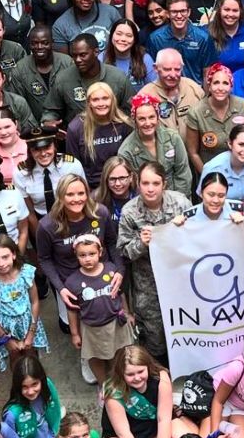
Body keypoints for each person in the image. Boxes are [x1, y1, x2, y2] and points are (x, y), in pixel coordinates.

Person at [117, 163, 192, 362]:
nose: (151, 188)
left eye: (156, 183)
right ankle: (159, 369)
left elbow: (197, 235)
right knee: (154, 333)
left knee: (185, 324)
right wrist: (141, 243)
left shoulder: (181, 204)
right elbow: (124, 251)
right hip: (148, 284)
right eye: (145, 183)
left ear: (164, 184)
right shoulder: (130, 212)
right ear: (138, 184)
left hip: (180, 280)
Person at [36, 174, 121, 339]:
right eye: (70, 194)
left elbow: (112, 242)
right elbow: (44, 259)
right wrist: (61, 288)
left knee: (111, 327)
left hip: (102, 280)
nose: (77, 199)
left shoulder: (100, 213)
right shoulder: (47, 226)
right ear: (60, 196)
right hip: (71, 286)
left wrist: (120, 270)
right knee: (80, 335)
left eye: (81, 193)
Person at [98, 345, 197, 438]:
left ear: (148, 367)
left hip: (155, 426)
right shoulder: (113, 393)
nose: (137, 378)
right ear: (121, 374)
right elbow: (124, 433)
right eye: (130, 374)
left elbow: (164, 420)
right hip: (125, 434)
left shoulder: (161, 378)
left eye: (140, 371)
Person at [64, 234, 133, 392]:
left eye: (91, 254)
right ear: (76, 256)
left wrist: (127, 313)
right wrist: (75, 333)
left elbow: (120, 293)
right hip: (92, 327)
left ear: (100, 252)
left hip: (116, 323)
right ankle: (104, 386)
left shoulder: (111, 269)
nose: (88, 259)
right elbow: (72, 310)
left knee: (120, 353)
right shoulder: (73, 281)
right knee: (95, 357)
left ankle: (121, 381)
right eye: (82, 255)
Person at [42, 33, 134, 136]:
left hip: (112, 136)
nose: (77, 60)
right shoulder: (64, 79)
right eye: (74, 55)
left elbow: (132, 109)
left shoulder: (117, 77)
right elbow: (51, 110)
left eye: (82, 55)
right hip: (78, 137)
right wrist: (48, 121)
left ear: (96, 52)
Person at [0, 235, 48, 372]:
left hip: (29, 325)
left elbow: (34, 302)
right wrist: (6, 340)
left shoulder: (26, 273)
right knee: (16, 360)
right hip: (6, 331)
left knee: (32, 359)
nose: (1, 263)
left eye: (5, 257)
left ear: (13, 254)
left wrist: (31, 334)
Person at [117, 92, 192, 198]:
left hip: (177, 197)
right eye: (142, 119)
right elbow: (134, 186)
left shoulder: (173, 138)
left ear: (158, 118)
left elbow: (183, 173)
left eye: (151, 117)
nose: (148, 123)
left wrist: (177, 201)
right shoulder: (126, 151)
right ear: (135, 120)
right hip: (146, 201)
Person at [1, 355, 60, 438]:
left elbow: (55, 416)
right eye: (25, 387)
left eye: (35, 384)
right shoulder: (12, 414)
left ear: (42, 381)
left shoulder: (47, 388)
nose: (31, 391)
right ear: (17, 387)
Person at [13, 126, 86, 233]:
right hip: (40, 219)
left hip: (71, 216)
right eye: (36, 149)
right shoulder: (21, 173)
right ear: (30, 151)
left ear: (55, 146)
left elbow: (84, 198)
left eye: (47, 147)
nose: (43, 154)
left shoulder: (72, 165)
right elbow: (29, 212)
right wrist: (41, 235)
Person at [185, 63, 244, 173]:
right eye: (216, 83)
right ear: (209, 86)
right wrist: (207, 177)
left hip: (240, 169)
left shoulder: (242, 106)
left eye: (225, 83)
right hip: (210, 171)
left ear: (231, 87)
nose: (220, 88)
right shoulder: (196, 112)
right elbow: (193, 152)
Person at [8, 25, 73, 123]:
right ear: (29, 45)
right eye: (34, 43)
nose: (39, 47)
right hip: (35, 130)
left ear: (52, 43)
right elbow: (18, 105)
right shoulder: (20, 69)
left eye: (45, 43)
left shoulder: (67, 63)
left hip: (69, 126)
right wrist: (38, 129)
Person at [137, 47, 205, 141]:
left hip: (192, 151)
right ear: (156, 68)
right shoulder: (144, 96)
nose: (173, 75)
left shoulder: (194, 89)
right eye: (167, 69)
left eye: (177, 69)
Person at [200, 124, 244, 215]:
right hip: (221, 211)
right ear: (230, 144)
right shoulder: (213, 168)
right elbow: (203, 197)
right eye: (241, 144)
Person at [147, 0, 212, 85]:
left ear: (189, 12)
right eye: (174, 12)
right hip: (166, 91)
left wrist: (205, 98)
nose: (179, 16)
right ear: (168, 14)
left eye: (183, 11)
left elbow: (207, 74)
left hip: (196, 92)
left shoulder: (202, 38)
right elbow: (153, 73)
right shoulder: (156, 39)